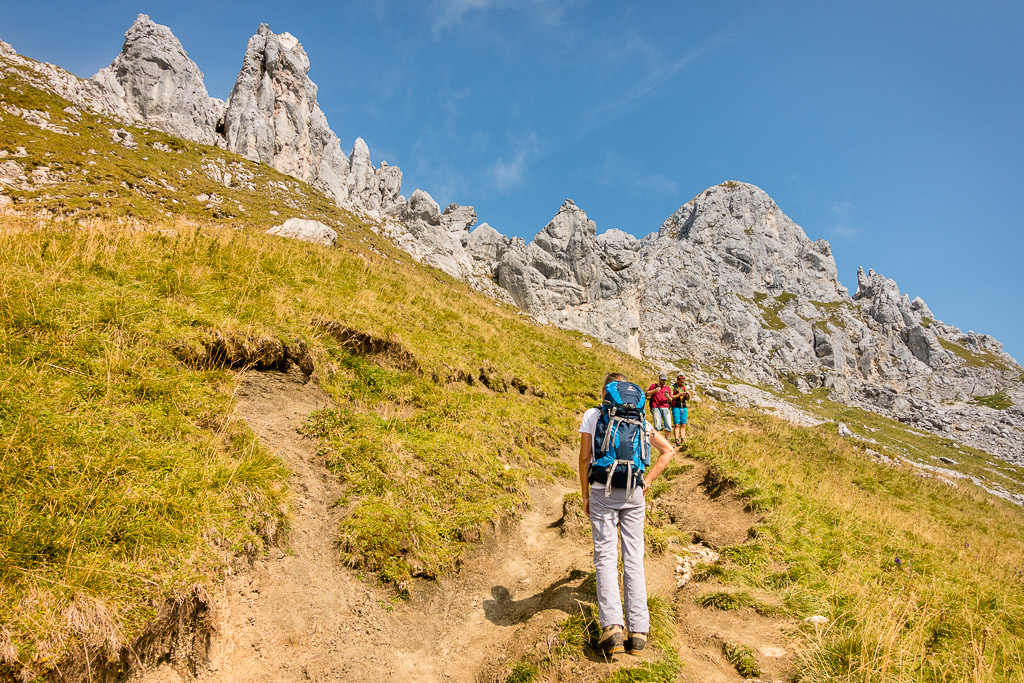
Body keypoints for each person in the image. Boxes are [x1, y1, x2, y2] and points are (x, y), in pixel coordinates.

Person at [579, 373, 677, 658]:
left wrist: (585, 494)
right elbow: (667, 451)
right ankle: (639, 632)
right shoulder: (638, 418)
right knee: (633, 557)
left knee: (606, 557)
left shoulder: (593, 415)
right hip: (634, 491)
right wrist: (647, 482)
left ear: (606, 390)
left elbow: (585, 458)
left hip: (602, 490)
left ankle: (612, 628)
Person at [670, 372, 689, 446]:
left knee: (683, 424)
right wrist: (679, 394)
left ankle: (683, 438)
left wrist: (688, 395)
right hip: (676, 406)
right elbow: (671, 397)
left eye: (683, 381)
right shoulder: (673, 387)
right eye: (681, 381)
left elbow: (688, 399)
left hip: (683, 406)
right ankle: (677, 439)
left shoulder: (684, 387)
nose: (682, 383)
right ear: (677, 380)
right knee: (677, 424)